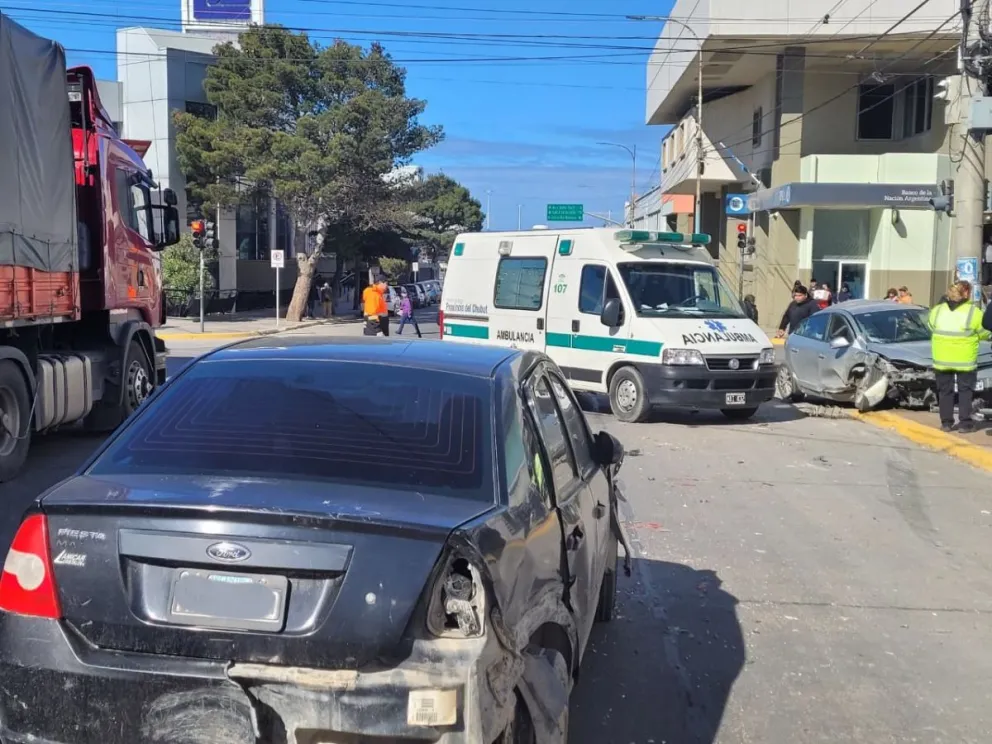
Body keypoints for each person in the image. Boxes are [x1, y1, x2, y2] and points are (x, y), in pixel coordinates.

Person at [929, 280, 989, 433]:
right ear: (967, 293)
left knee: (944, 391)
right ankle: (965, 424)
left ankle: (946, 423)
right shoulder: (973, 312)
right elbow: (985, 332)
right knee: (965, 392)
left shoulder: (937, 310)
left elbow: (930, 326)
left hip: (942, 359)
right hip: (964, 360)